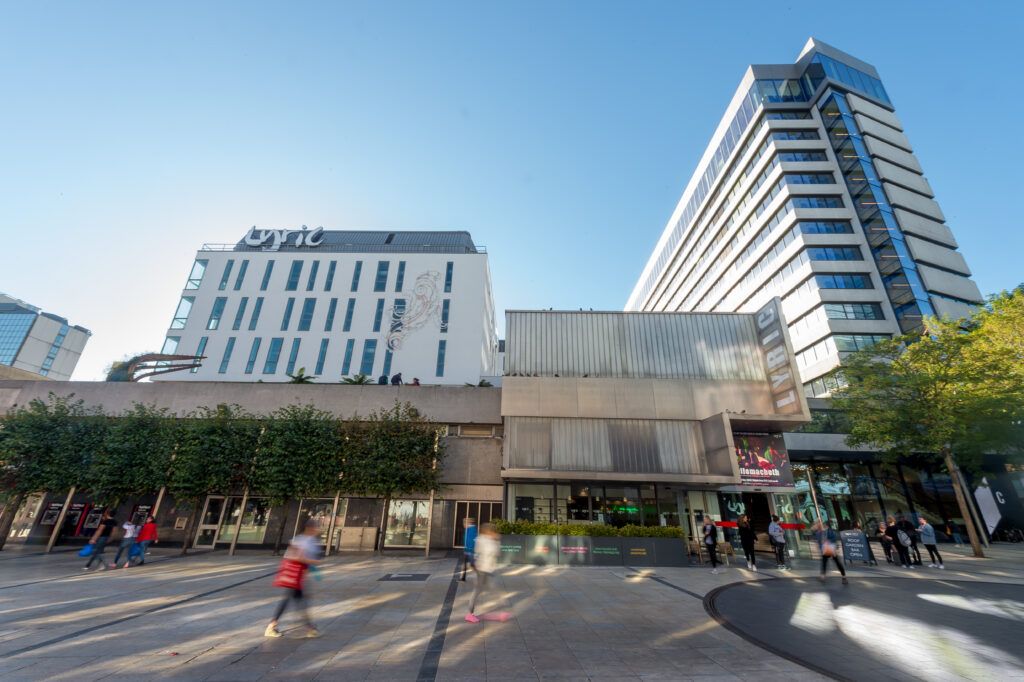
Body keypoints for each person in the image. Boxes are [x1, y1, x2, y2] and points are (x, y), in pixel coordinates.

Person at [265, 518, 322, 638]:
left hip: (299, 576)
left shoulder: (310, 541)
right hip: (294, 576)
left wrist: (308, 572)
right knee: (292, 601)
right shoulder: (301, 540)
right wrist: (312, 561)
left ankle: (309, 627)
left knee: (297, 601)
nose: (318, 529)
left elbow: (307, 563)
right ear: (309, 528)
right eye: (316, 527)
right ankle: (272, 626)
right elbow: (292, 556)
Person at [465, 523, 501, 623]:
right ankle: (470, 614)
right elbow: (477, 553)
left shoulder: (492, 540)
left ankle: (498, 610)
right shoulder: (481, 540)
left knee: (491, 588)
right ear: (488, 531)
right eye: (492, 531)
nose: (494, 532)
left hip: (489, 569)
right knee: (477, 591)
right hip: (481, 569)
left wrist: (496, 541)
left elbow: (497, 553)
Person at [814, 520, 848, 584]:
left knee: (836, 562)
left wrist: (835, 548)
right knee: (825, 562)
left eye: (817, 524)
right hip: (825, 549)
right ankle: (823, 576)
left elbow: (833, 539)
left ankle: (844, 577)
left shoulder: (828, 531)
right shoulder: (819, 532)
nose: (816, 526)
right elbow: (819, 541)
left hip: (831, 549)